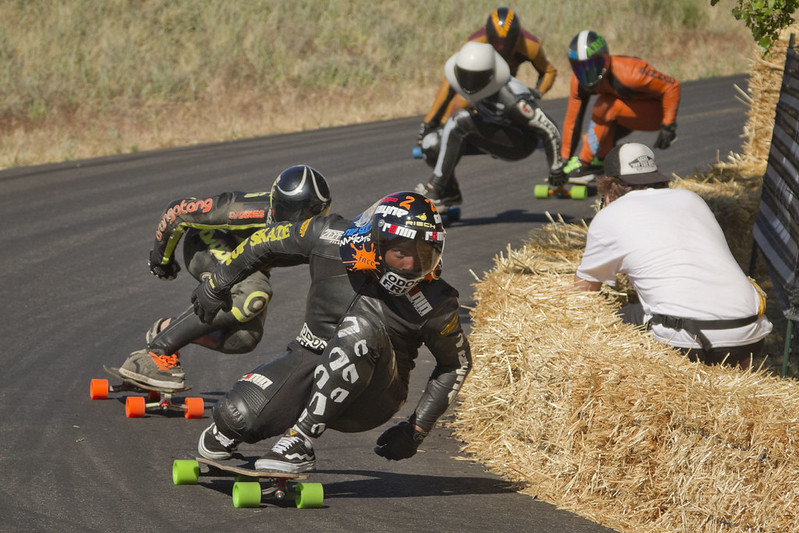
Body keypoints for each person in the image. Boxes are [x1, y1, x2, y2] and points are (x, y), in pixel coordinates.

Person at [191, 191, 472, 474]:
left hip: (373, 397)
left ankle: (300, 441)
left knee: (359, 330)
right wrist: (218, 282)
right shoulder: (327, 234)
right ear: (376, 242)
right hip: (307, 361)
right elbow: (264, 241)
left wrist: (417, 429)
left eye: (424, 255)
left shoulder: (436, 300)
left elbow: (456, 363)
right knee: (233, 416)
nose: (412, 266)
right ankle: (233, 431)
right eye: (401, 253)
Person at [117, 165, 332, 391]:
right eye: (293, 212)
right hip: (208, 242)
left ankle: (167, 329)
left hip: (249, 264)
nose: (301, 222)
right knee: (254, 294)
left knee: (244, 338)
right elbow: (177, 211)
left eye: (313, 214)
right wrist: (161, 260)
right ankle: (153, 354)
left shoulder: (321, 233)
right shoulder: (245, 209)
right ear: (276, 204)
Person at [573, 143, 772, 367]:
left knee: (615, 318)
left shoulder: (609, 215)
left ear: (609, 187)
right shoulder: (691, 198)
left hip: (690, 341)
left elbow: (583, 295)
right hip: (751, 333)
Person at [415, 40, 564, 208]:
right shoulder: (460, 78)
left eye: (475, 78)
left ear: (489, 76)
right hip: (490, 130)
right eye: (465, 76)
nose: (469, 83)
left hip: (518, 143)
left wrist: (556, 167)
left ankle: (435, 188)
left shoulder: (512, 98)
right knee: (431, 144)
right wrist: (428, 126)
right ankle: (449, 194)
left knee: (460, 120)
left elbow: (549, 127)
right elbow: (445, 98)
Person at [418, 6, 558, 140]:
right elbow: (452, 78)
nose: (501, 47)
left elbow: (549, 71)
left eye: (507, 42)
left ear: (516, 38)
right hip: (480, 84)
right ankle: (442, 127)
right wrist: (428, 124)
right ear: (488, 36)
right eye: (496, 41)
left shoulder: (530, 46)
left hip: (507, 86)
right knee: (461, 99)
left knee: (522, 111)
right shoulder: (475, 42)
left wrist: (537, 92)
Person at [561, 30, 681, 183]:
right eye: (580, 67)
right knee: (594, 134)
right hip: (626, 113)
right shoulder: (577, 83)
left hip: (656, 113)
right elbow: (572, 120)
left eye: (592, 65)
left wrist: (668, 125)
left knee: (605, 105)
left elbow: (672, 86)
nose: (587, 72)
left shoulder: (630, 71)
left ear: (605, 59)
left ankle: (585, 163)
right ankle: (600, 160)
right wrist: (563, 161)